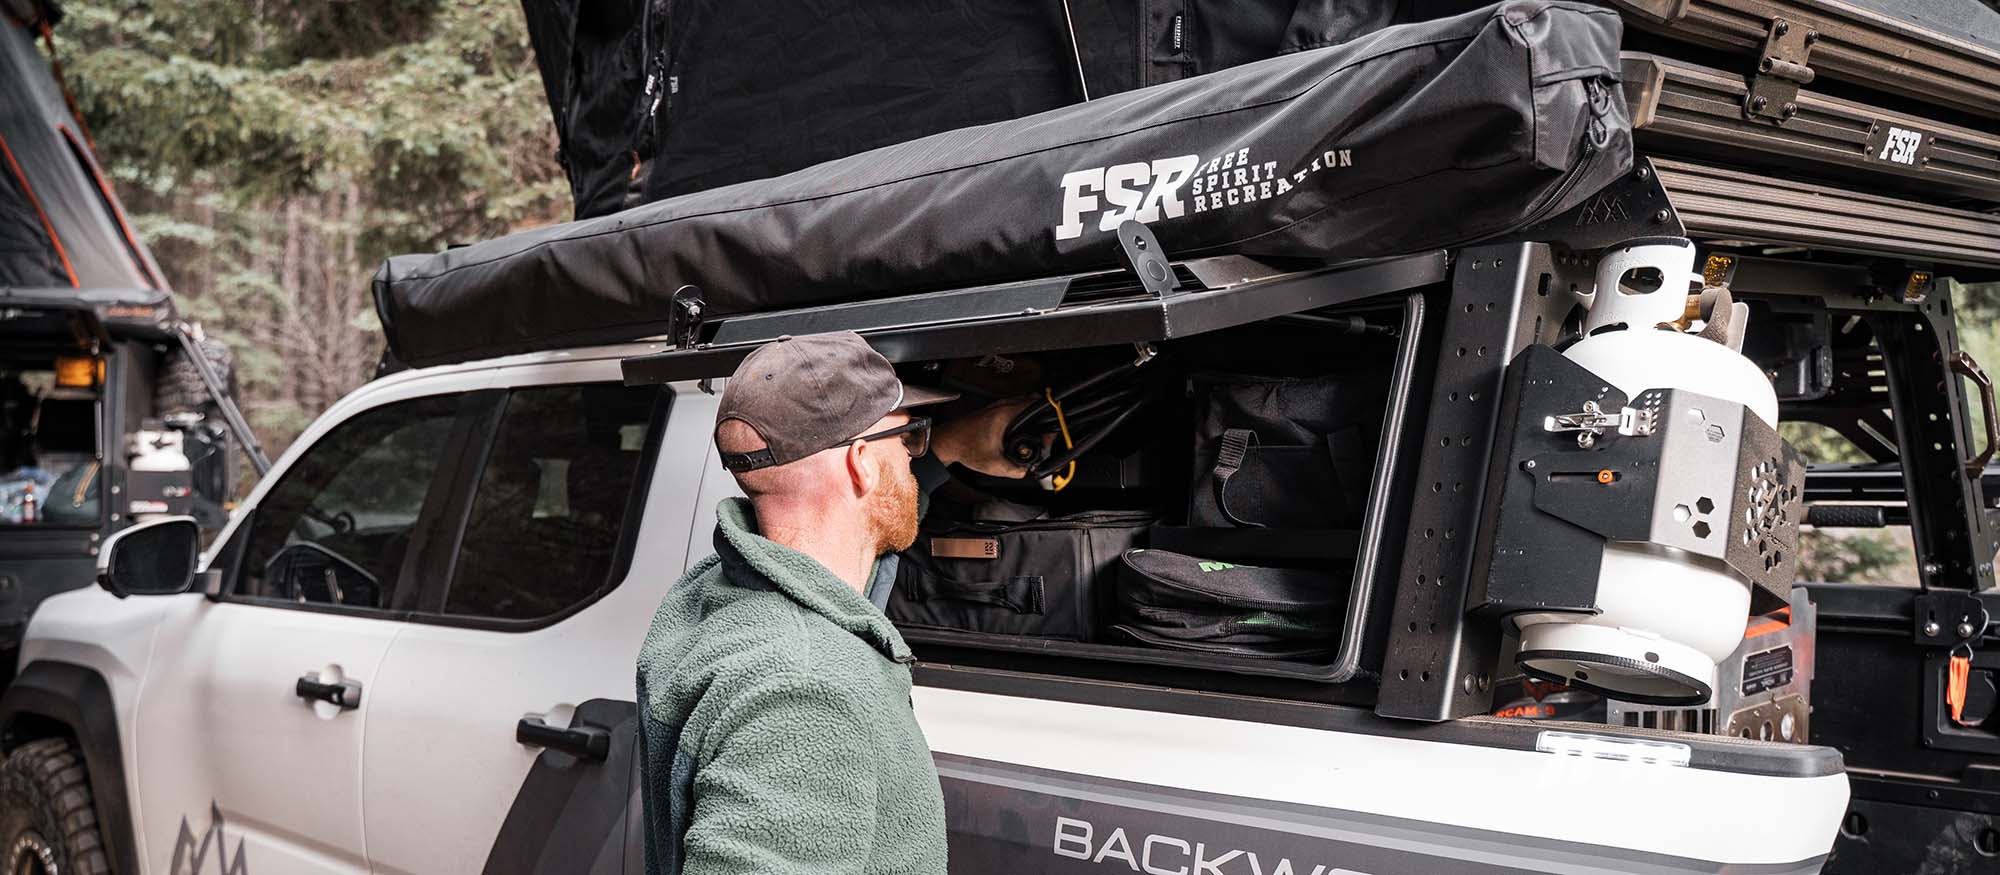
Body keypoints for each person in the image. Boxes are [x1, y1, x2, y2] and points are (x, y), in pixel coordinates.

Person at [637, 331, 1029, 875]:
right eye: (910, 439)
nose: (914, 457)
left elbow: (849, 566)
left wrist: (950, 448)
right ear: (862, 464)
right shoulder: (808, 692)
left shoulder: (721, 591)